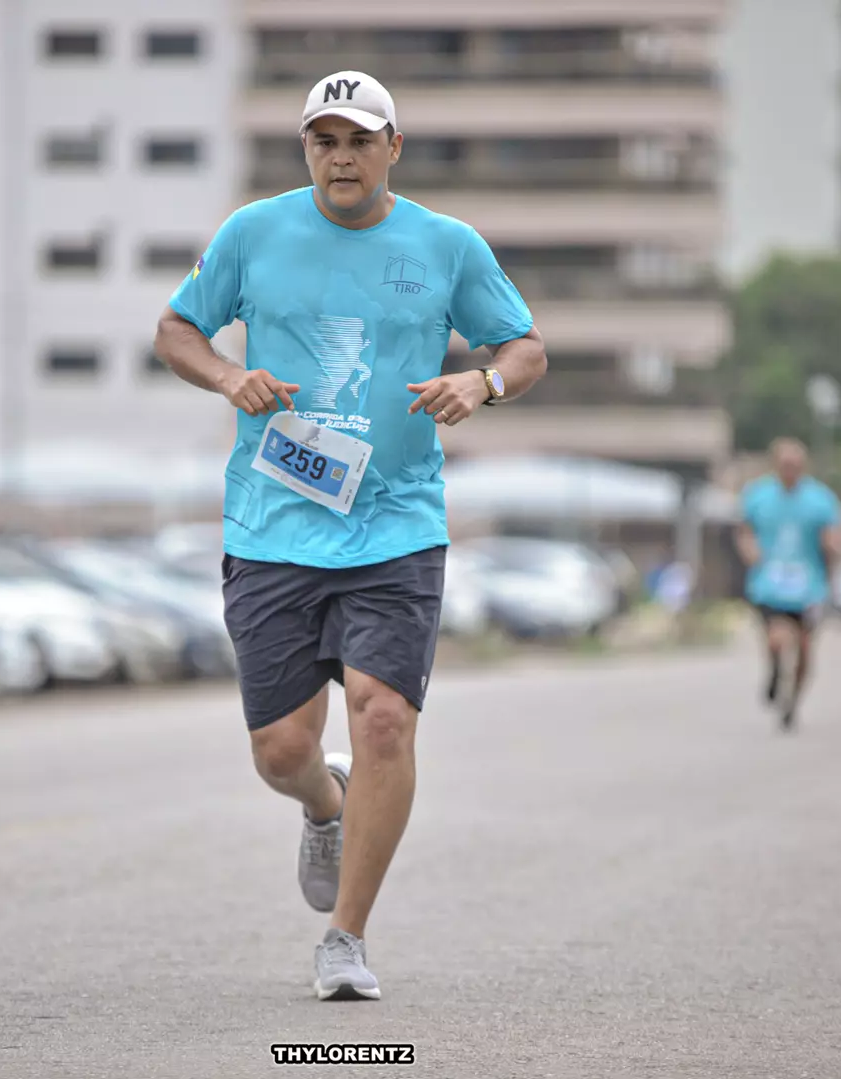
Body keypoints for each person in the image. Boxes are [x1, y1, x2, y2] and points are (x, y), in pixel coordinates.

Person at [151, 69, 548, 1001]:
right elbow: (175, 329)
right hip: (273, 526)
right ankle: (323, 805)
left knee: (382, 717)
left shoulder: (446, 246)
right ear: (305, 149)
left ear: (392, 149)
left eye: (360, 140)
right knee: (282, 752)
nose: (341, 157)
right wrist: (227, 378)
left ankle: (345, 939)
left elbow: (525, 348)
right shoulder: (252, 233)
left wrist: (481, 382)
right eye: (324, 141)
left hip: (396, 522)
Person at [734, 438, 841, 731]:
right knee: (777, 637)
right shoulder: (758, 496)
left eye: (795, 465)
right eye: (785, 464)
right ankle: (774, 670)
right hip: (770, 582)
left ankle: (792, 702)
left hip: (808, 584)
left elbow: (831, 537)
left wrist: (832, 553)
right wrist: (750, 550)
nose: (790, 470)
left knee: (804, 649)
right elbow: (745, 531)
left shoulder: (820, 500)